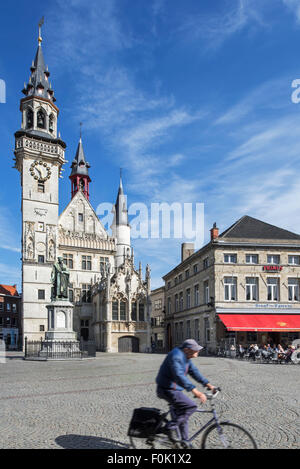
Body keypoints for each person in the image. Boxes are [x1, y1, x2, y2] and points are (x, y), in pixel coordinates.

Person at [156, 339, 215, 447]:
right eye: (195, 350)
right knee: (190, 407)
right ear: (187, 350)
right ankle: (169, 427)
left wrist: (208, 384)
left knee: (183, 416)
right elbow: (179, 376)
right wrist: (195, 391)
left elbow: (194, 371)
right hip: (167, 389)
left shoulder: (186, 357)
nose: (197, 352)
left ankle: (184, 442)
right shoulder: (176, 356)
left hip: (174, 389)